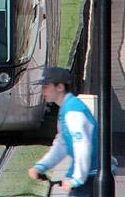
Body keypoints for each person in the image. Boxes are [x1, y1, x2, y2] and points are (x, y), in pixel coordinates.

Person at [27, 67, 98, 196]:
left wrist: (76, 179)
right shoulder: (66, 109)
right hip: (87, 174)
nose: (43, 91)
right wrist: (42, 166)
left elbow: (82, 146)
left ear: (60, 87)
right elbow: (61, 144)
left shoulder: (73, 111)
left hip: (92, 175)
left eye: (46, 86)